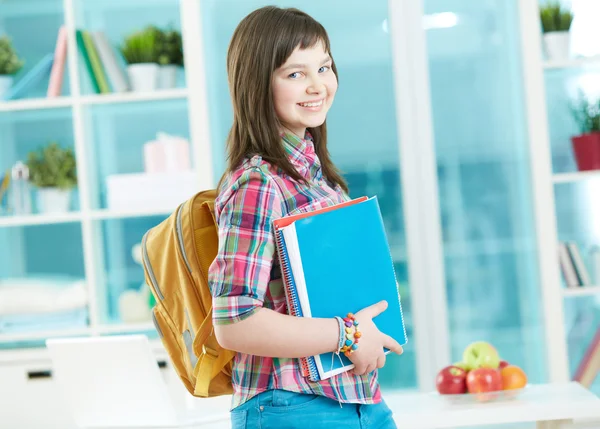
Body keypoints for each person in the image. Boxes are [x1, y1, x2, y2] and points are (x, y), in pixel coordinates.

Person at [208, 6, 403, 429]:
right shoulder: (257, 183)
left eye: (324, 67)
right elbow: (234, 321)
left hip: (358, 400)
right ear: (258, 84)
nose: (318, 85)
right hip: (290, 405)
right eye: (295, 74)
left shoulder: (323, 181)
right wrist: (348, 334)